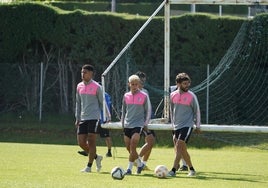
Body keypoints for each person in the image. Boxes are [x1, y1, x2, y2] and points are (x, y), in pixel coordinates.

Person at [168, 73, 201, 177]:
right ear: (178, 84)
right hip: (176, 126)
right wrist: (173, 125)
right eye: (184, 83)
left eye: (188, 83)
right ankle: (191, 169)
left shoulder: (191, 96)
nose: (187, 85)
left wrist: (198, 125)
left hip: (187, 125)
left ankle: (173, 170)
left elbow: (197, 111)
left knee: (178, 146)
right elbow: (171, 111)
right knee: (182, 149)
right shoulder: (172, 95)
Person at [75, 64, 104, 173]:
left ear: (91, 74)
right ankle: (97, 157)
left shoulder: (97, 87)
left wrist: (104, 117)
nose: (83, 74)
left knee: (91, 141)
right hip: (83, 118)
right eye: (82, 72)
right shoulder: (79, 86)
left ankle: (89, 166)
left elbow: (102, 103)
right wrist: (77, 117)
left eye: (85, 72)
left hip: (94, 117)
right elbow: (78, 103)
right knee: (81, 143)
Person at [121, 74, 152, 175]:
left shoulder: (144, 96)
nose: (134, 86)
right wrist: (122, 124)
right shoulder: (126, 96)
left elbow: (148, 110)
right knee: (128, 148)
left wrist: (145, 123)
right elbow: (124, 111)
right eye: (132, 84)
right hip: (127, 124)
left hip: (138, 124)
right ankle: (139, 164)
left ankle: (129, 169)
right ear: (129, 84)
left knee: (133, 145)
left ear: (139, 84)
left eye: (136, 84)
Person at [78, 92, 113, 157]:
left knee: (106, 136)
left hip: (102, 119)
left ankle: (109, 152)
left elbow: (107, 107)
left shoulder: (103, 96)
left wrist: (108, 118)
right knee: (92, 135)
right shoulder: (104, 96)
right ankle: (88, 150)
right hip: (97, 119)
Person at [135, 71, 155, 171]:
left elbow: (148, 107)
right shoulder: (131, 93)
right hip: (139, 121)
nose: (142, 82)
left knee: (150, 142)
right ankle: (137, 160)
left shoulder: (145, 92)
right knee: (150, 141)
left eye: (143, 81)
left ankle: (142, 164)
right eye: (140, 80)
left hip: (146, 121)